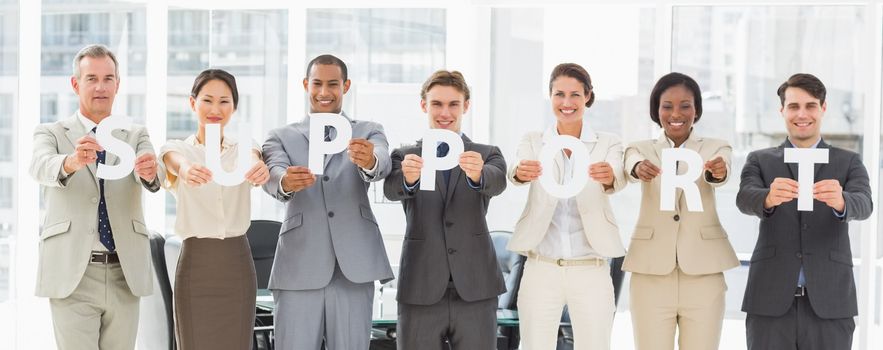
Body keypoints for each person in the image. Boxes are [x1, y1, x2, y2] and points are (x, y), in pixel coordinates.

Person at [29, 44, 161, 349]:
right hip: (72, 272)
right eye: (91, 78)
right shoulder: (51, 132)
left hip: (124, 272)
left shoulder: (135, 134)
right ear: (76, 84)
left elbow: (156, 176)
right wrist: (71, 162)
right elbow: (38, 166)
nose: (101, 86)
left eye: (108, 78)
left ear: (118, 84)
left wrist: (150, 173)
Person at [262, 54, 393, 349]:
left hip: (355, 265)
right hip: (298, 263)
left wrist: (369, 160)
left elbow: (382, 162)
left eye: (332, 84)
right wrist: (285, 181)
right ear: (306, 85)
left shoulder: (368, 131)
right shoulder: (281, 136)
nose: (324, 92)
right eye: (317, 84)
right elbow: (273, 173)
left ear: (345, 86)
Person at [736, 73, 873, 350]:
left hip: (830, 301)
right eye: (794, 106)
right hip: (770, 301)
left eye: (810, 105)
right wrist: (768, 198)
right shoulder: (760, 160)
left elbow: (865, 204)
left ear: (823, 108)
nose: (802, 114)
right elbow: (744, 198)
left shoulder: (847, 161)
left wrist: (842, 201)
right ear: (782, 110)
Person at [383, 70, 507, 350]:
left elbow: (498, 181)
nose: (445, 112)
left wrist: (478, 176)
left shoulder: (486, 154)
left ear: (466, 106)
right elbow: (391, 189)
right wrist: (408, 179)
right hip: (421, 285)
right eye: (437, 104)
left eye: (453, 104)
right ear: (424, 105)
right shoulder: (405, 156)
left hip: (476, 287)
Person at [506, 63, 626, 350]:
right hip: (541, 267)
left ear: (587, 97)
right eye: (559, 94)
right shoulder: (534, 140)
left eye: (575, 95)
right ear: (550, 97)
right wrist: (521, 172)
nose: (567, 103)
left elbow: (619, 174)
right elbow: (517, 168)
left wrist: (609, 176)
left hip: (591, 268)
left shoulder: (608, 142)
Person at [622, 72, 739, 350]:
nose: (676, 113)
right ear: (656, 110)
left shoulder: (716, 147)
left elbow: (723, 170)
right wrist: (638, 168)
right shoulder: (639, 149)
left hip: (703, 275)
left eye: (685, 105)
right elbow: (631, 164)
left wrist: (717, 171)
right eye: (667, 106)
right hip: (650, 274)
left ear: (696, 109)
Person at [159, 68, 269, 349]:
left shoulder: (245, 147)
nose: (215, 109)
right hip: (196, 265)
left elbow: (253, 157)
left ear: (234, 107)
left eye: (224, 101)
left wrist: (256, 166)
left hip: (237, 265)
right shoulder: (177, 149)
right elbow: (172, 161)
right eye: (207, 100)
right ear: (192, 103)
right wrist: (184, 170)